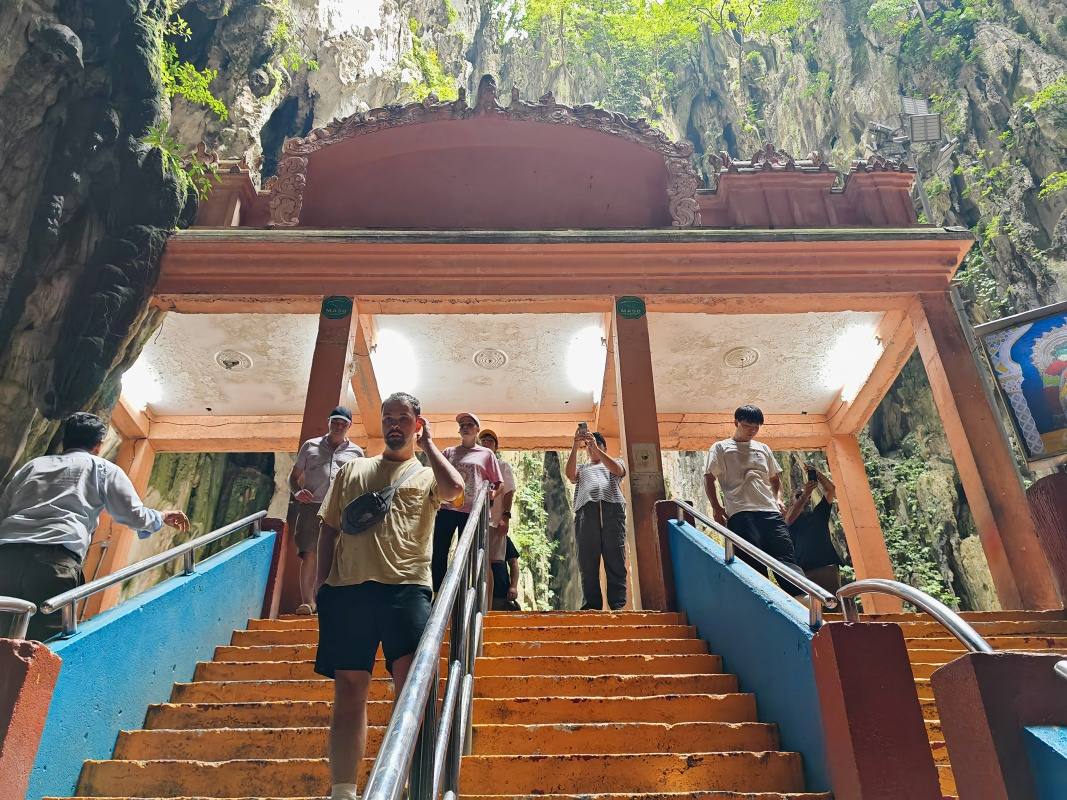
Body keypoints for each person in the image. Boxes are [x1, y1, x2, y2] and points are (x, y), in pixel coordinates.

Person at [314, 392, 463, 800]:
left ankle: (405, 785)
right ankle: (343, 791)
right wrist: (321, 582)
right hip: (348, 590)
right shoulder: (353, 469)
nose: (394, 424)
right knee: (349, 690)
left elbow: (455, 489)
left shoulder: (427, 474)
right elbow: (329, 527)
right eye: (388, 417)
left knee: (412, 689)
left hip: (406, 589)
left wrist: (429, 445)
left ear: (417, 424)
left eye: (403, 418)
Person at [0, 412, 189, 640]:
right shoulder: (102, 469)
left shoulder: (32, 466)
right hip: (53, 564)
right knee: (43, 644)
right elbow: (133, 514)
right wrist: (161, 516)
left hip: (6, 557)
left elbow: (4, 509)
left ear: (64, 439)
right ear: (98, 445)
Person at [703, 405, 804, 598]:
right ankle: (761, 601)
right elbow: (709, 477)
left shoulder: (763, 448)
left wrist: (778, 499)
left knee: (785, 557)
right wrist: (716, 507)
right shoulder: (721, 447)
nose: (752, 430)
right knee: (751, 562)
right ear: (736, 422)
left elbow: (774, 478)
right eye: (748, 425)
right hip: (740, 513)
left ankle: (802, 602)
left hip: (770, 512)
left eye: (756, 427)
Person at [288, 406, 365, 615]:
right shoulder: (310, 445)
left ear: (349, 426)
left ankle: (329, 602)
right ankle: (308, 602)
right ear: (328, 422)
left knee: (337, 554)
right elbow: (293, 477)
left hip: (340, 508)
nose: (338, 426)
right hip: (311, 506)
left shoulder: (357, 452)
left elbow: (360, 483)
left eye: (343, 423)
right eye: (335, 422)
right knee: (309, 553)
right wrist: (297, 492)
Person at [431, 412, 502, 592]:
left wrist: (492, 495)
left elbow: (498, 483)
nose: (465, 427)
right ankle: (438, 592)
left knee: (465, 552)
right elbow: (438, 476)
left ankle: (460, 591)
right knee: (439, 551)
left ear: (477, 430)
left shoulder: (486, 454)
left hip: (471, 512)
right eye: (462, 425)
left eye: (469, 424)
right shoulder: (449, 452)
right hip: (447, 507)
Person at [566, 428, 628, 611]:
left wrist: (596, 448)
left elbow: (618, 470)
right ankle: (591, 606)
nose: (592, 448)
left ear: (604, 448)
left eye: (597, 445)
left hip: (613, 512)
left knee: (616, 558)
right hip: (586, 514)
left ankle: (617, 604)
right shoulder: (582, 468)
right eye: (589, 446)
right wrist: (575, 446)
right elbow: (570, 475)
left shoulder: (615, 462)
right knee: (587, 562)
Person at [784, 466, 843, 592]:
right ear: (792, 500)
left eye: (806, 495)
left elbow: (830, 490)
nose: (803, 497)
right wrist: (805, 494)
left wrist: (817, 474)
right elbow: (789, 520)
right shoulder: (789, 518)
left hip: (827, 567)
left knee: (834, 602)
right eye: (798, 495)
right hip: (804, 573)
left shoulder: (819, 514)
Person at [478, 428, 516, 605]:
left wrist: (505, 517)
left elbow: (508, 492)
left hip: (494, 522)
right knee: (480, 564)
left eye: (490, 440)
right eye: (483, 439)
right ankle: (483, 606)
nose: (486, 442)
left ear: (496, 447)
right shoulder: (476, 466)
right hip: (476, 523)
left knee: (489, 563)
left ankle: (488, 607)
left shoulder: (502, 466)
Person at [491, 535, 522, 611]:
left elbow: (513, 563)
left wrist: (513, 587)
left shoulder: (503, 538)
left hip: (500, 593)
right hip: (480, 592)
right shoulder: (477, 537)